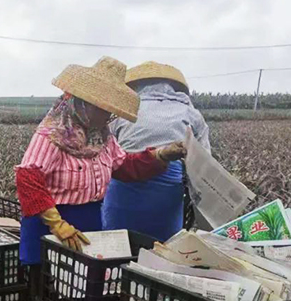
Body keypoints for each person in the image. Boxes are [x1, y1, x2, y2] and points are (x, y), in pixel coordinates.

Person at [15, 56, 186, 270]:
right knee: (47, 286)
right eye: (102, 108)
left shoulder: (103, 139)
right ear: (83, 103)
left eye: (109, 110)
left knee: (82, 285)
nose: (106, 115)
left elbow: (125, 166)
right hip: (48, 226)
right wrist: (57, 224)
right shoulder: (52, 134)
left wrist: (161, 155)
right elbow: (28, 177)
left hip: (89, 223)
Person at [103, 62, 210, 241]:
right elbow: (205, 163)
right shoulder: (190, 113)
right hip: (166, 195)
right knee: (163, 249)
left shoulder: (122, 112)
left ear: (135, 88)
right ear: (174, 88)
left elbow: (104, 155)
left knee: (117, 247)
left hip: (123, 186)